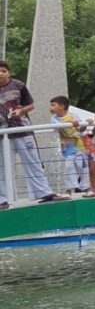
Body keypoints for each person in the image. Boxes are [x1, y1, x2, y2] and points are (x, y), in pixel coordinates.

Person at [0, 60, 65, 208]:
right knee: (2, 166)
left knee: (33, 161)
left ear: (8, 72)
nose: (1, 74)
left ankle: (44, 192)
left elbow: (31, 104)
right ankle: (2, 199)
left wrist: (21, 111)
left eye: (3, 71)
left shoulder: (18, 85)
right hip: (3, 134)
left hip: (22, 129)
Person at [49, 96, 90, 196]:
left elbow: (81, 129)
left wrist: (84, 124)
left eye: (53, 105)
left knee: (83, 167)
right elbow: (57, 127)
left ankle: (85, 188)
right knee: (69, 168)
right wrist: (71, 124)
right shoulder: (54, 119)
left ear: (62, 106)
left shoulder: (73, 115)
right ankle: (69, 189)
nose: (51, 107)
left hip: (79, 146)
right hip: (67, 149)